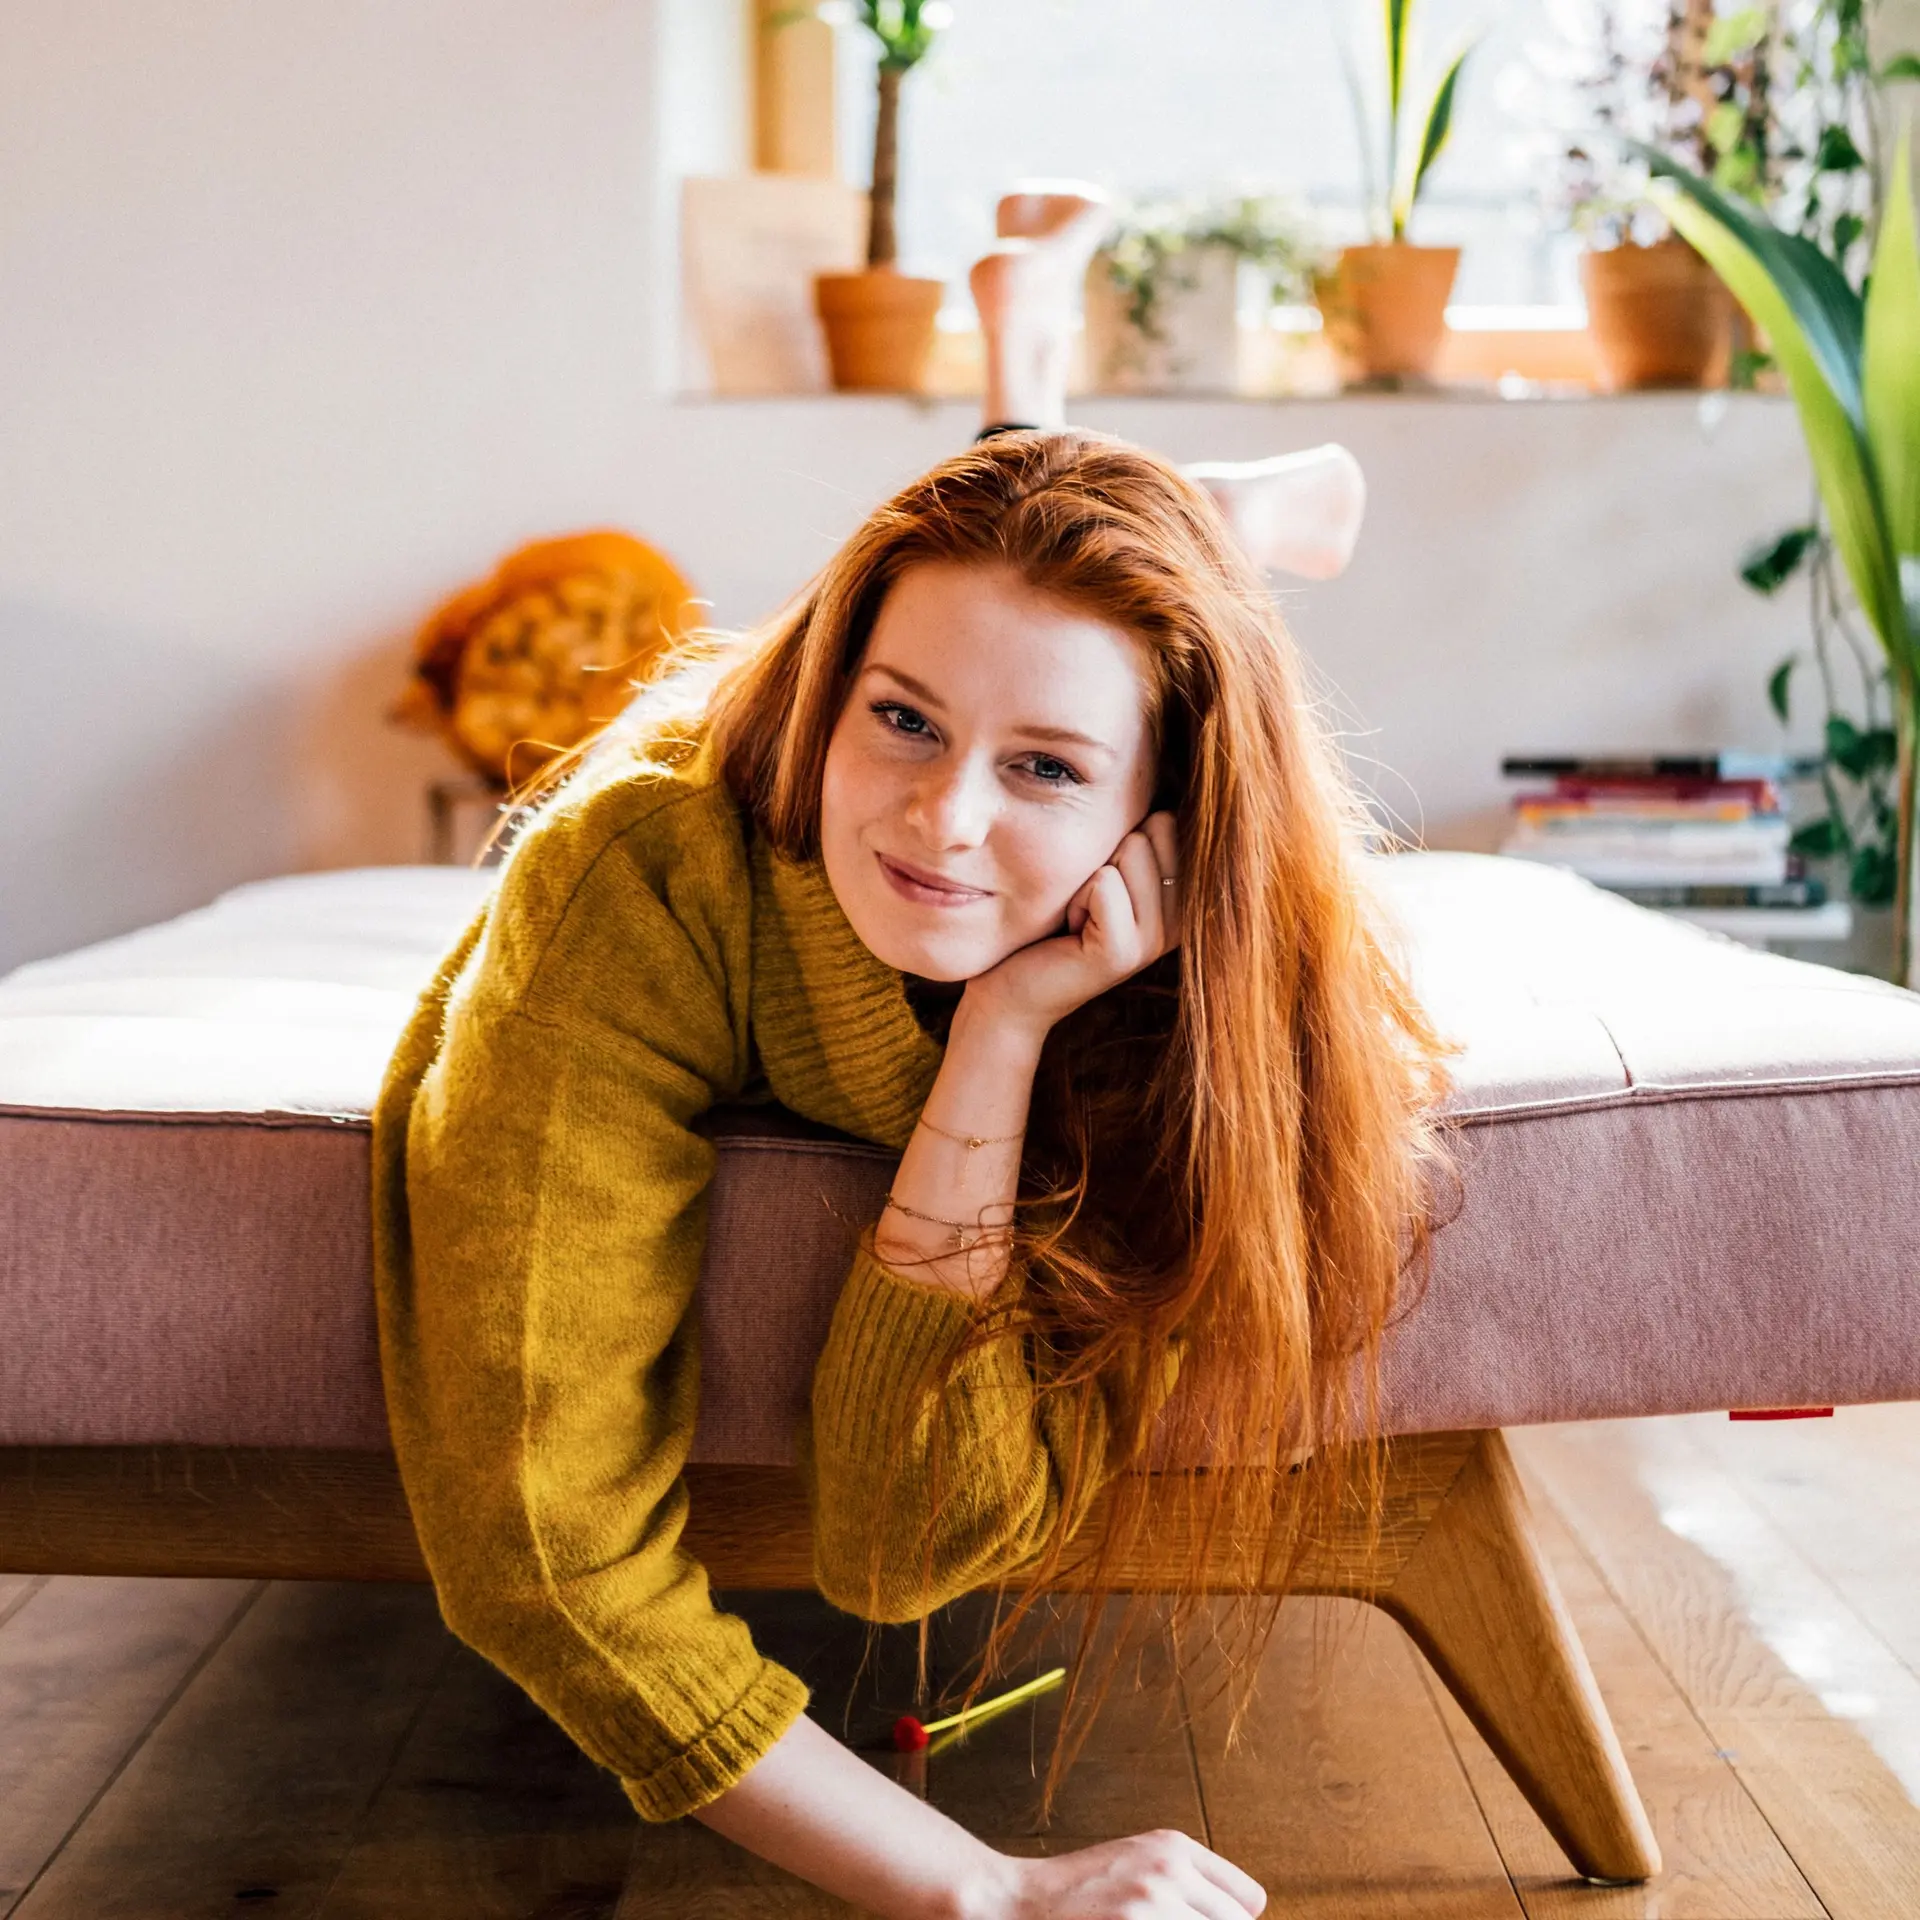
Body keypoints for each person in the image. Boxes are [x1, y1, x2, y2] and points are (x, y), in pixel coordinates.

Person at [369, 185, 1450, 1920]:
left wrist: (1008, 1034)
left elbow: (899, 1550)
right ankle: (1131, 470)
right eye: (900, 718)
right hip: (720, 817)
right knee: (1017, 555)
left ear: (1155, 822)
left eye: (1045, 767)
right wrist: (978, 1890)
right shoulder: (636, 874)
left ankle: (1166, 489)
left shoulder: (1204, 973)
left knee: (1054, 571)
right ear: (832, 689)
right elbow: (537, 1553)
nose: (941, 824)